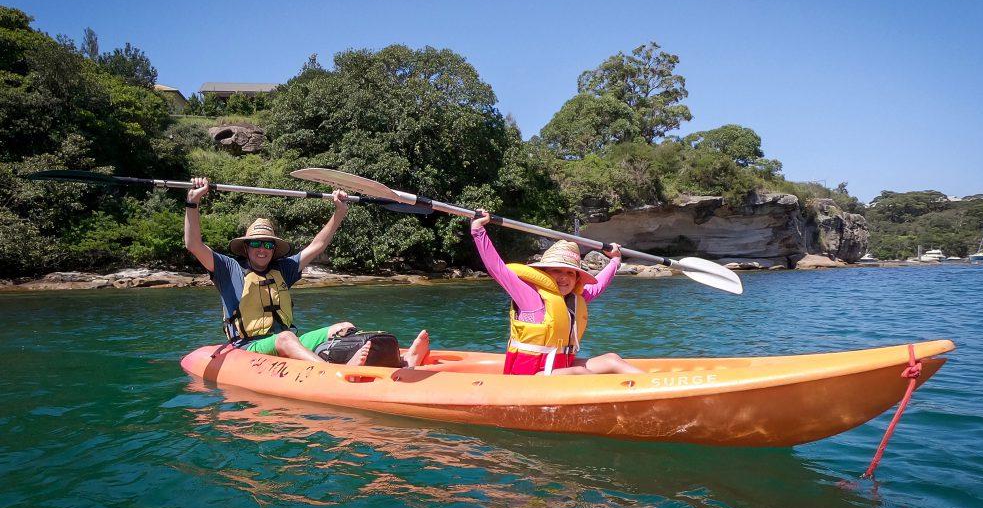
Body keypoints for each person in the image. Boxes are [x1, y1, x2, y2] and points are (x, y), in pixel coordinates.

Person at [184, 177, 429, 366]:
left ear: (274, 248)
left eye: (268, 244)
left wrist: (339, 213)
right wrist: (193, 203)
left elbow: (317, 245)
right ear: (246, 247)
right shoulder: (229, 269)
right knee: (285, 339)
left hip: (290, 340)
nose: (262, 249)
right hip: (248, 347)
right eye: (256, 243)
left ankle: (403, 362)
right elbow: (193, 244)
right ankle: (330, 372)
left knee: (343, 327)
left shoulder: (283, 269)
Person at [471, 210, 644, 375]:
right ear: (545, 273)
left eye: (570, 273)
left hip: (559, 367)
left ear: (577, 279)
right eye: (557, 271)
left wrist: (615, 260)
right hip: (530, 375)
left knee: (611, 359)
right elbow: (497, 269)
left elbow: (599, 285)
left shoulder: (574, 298)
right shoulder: (530, 297)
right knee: (578, 372)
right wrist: (478, 230)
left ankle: (655, 385)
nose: (564, 278)